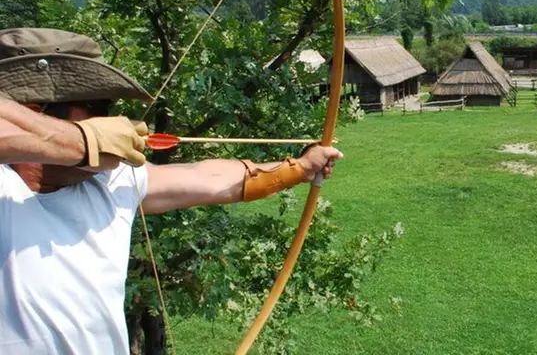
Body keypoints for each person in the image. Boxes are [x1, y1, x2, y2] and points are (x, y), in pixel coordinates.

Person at [0, 28, 343, 354]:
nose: (114, 121)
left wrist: (298, 168)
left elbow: (207, 178)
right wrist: (76, 141)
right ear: (32, 111)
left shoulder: (110, 182)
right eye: (97, 109)